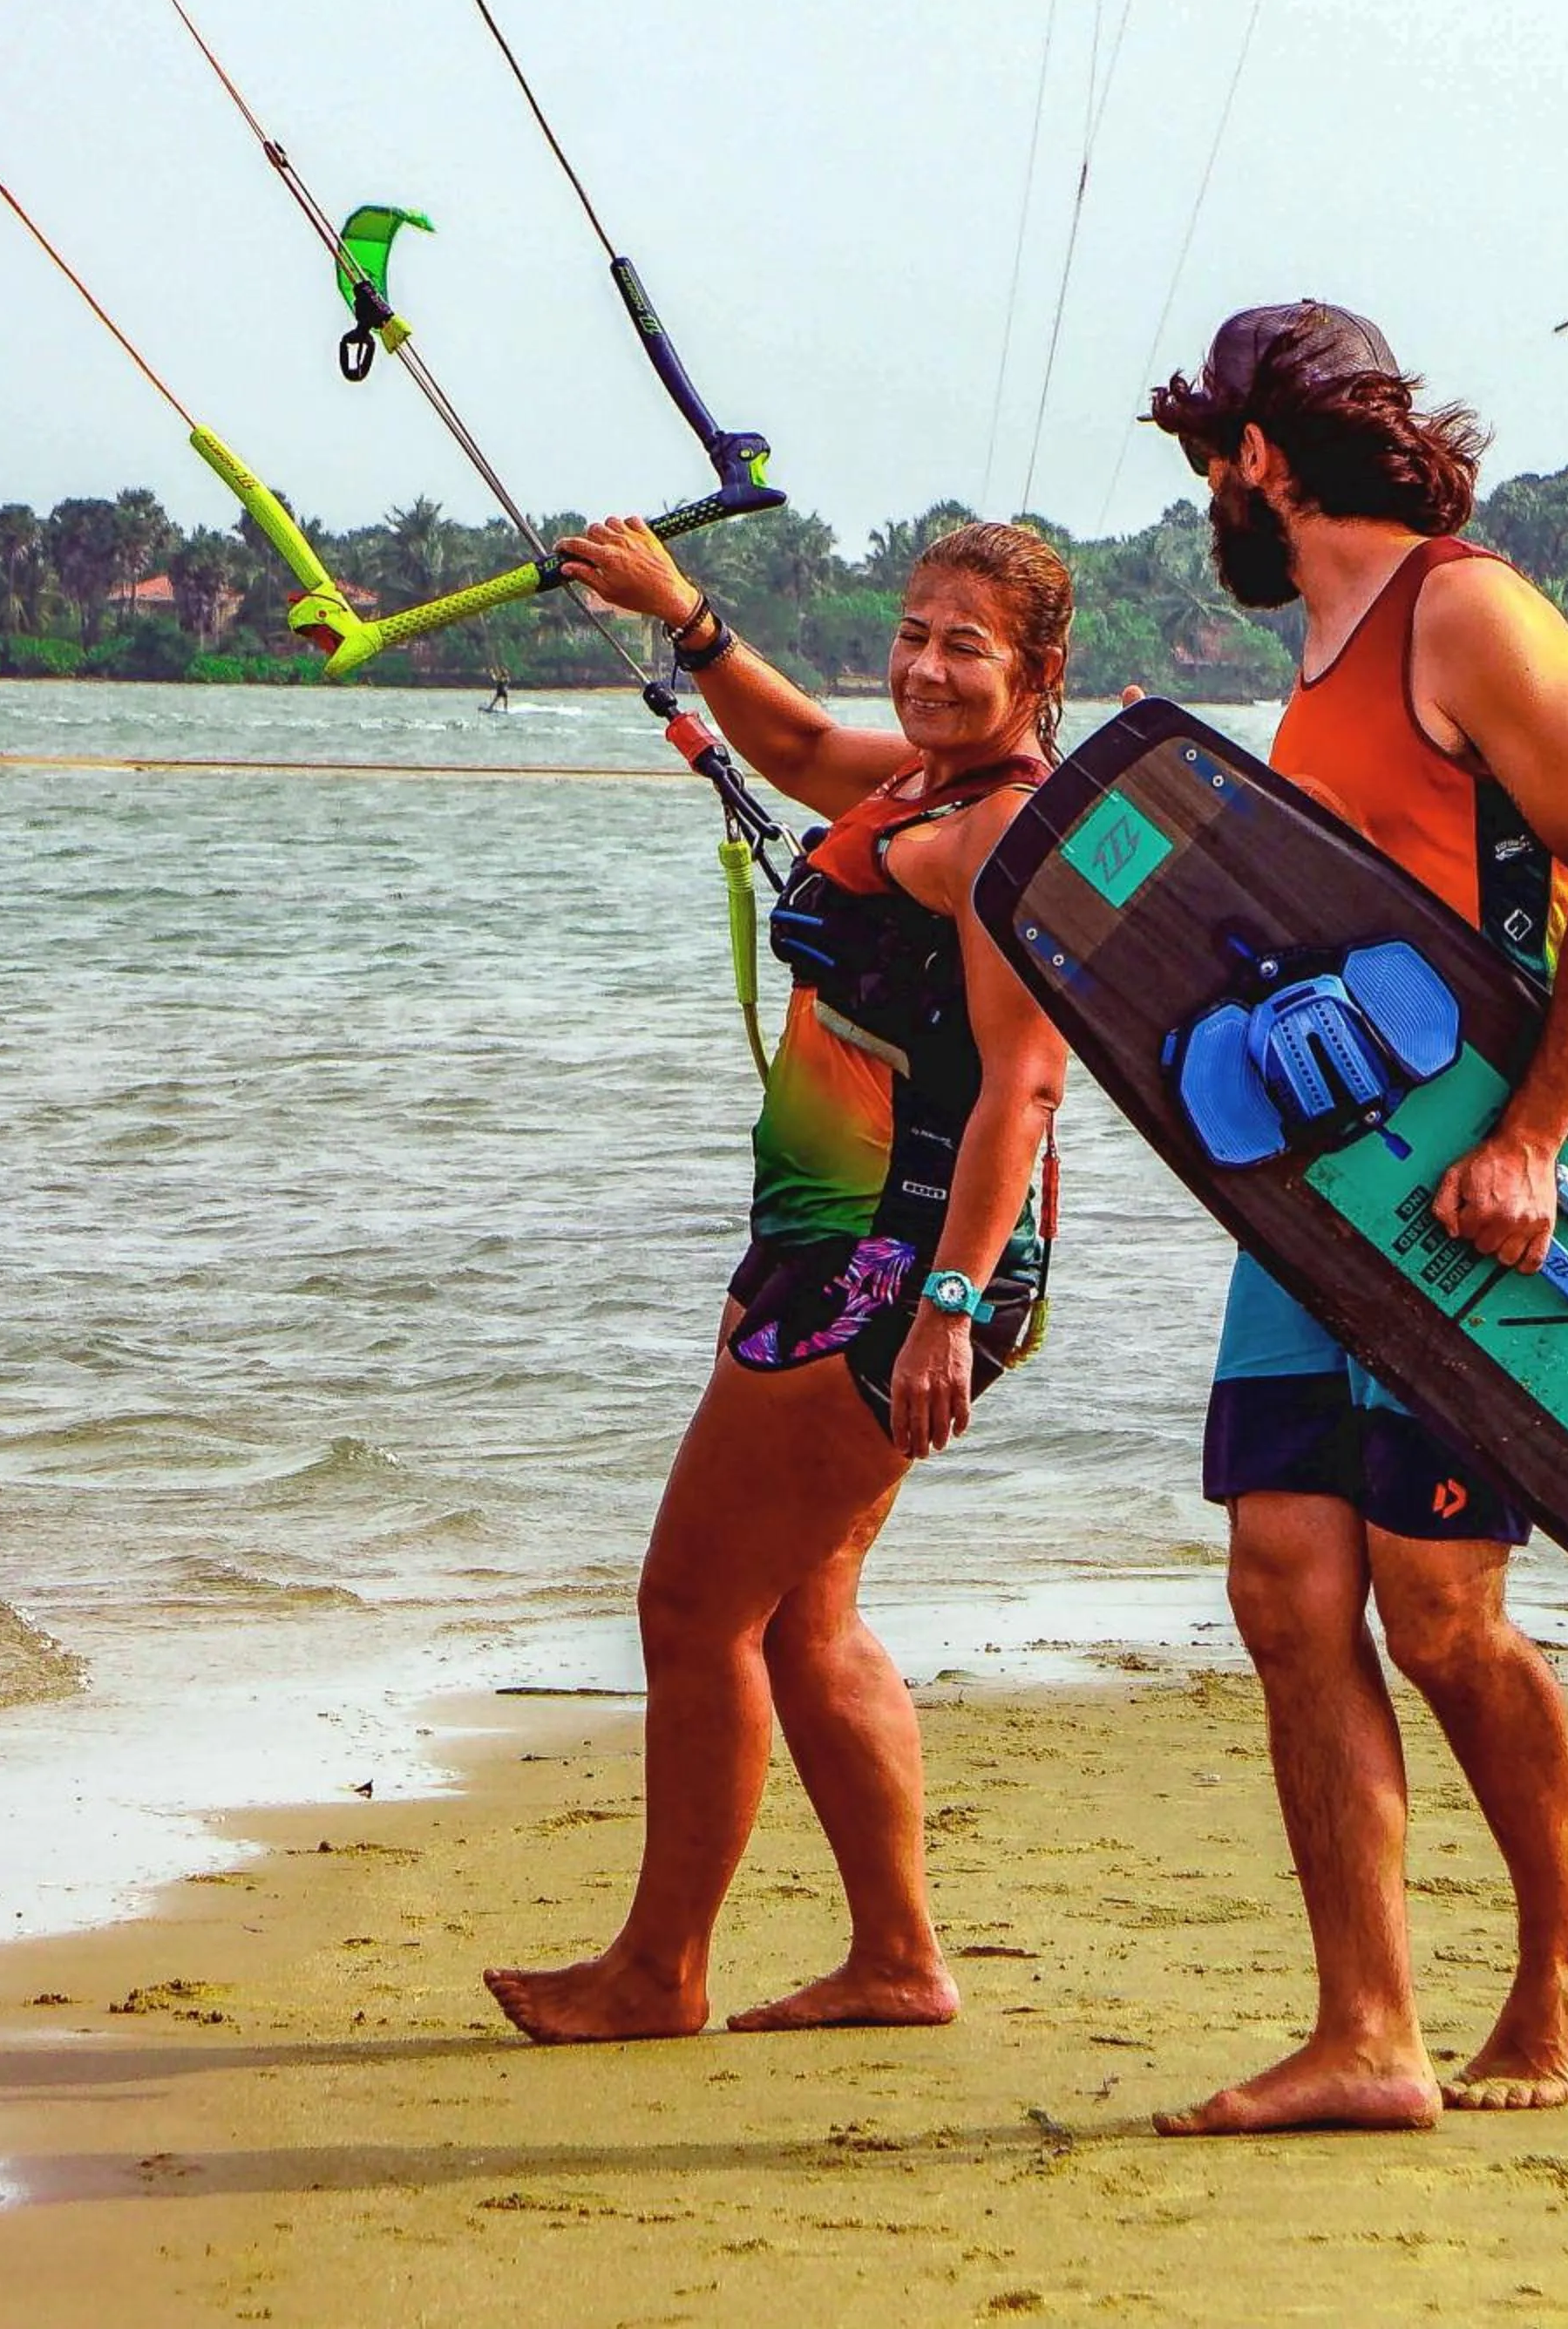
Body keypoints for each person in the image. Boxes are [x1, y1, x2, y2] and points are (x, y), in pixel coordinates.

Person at [1142, 302, 1568, 2135]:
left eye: (1213, 459)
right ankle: (1367, 2031)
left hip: (1468, 1209)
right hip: (1319, 1214)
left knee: (1439, 1608)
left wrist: (1536, 1138)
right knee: (1289, 1592)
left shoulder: (1465, 609)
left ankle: (1565, 1952)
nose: (1211, 495)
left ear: (1265, 460)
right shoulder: (1318, 659)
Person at [485, 516, 1074, 2044]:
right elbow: (799, 734)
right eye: (917, 631)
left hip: (904, 1268)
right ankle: (897, 1960)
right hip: (834, 1247)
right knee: (804, 1614)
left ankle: (659, 1972)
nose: (928, 666)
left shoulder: (1006, 831)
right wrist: (678, 609)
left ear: (1038, 674)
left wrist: (943, 1310)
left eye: (969, 647)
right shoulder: (918, 783)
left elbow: (1025, 1082)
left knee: (692, 1609)